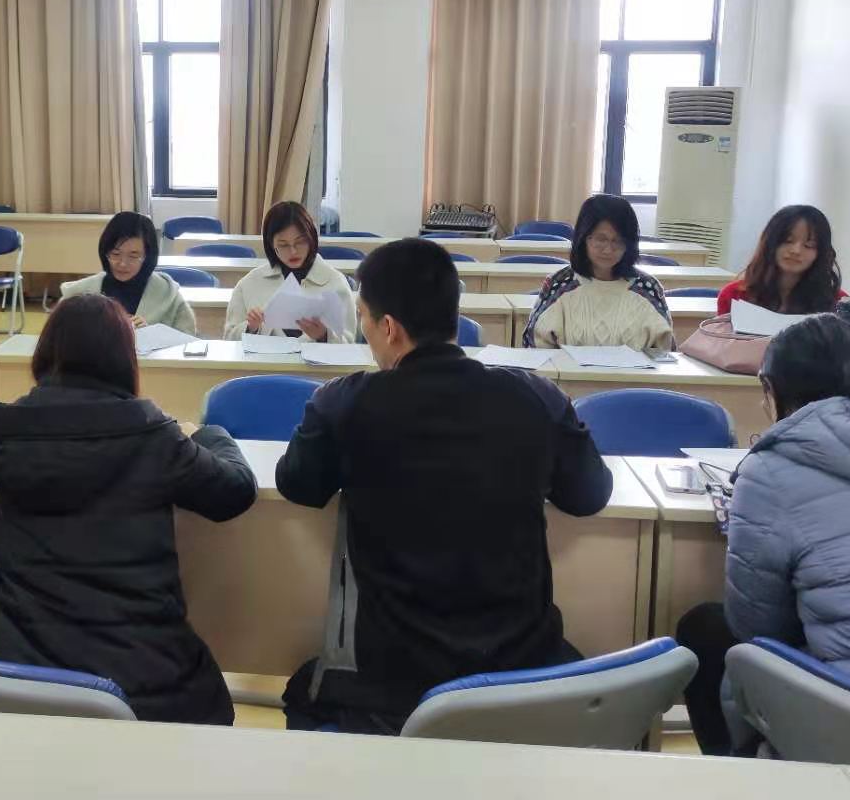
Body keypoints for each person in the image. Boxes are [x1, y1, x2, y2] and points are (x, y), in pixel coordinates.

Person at [276, 237, 614, 734]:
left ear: (389, 328)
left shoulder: (344, 403)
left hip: (392, 684)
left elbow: (298, 484)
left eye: (364, 318)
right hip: (519, 674)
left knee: (301, 694)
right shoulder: (535, 397)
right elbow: (589, 494)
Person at [0, 294, 257, 725]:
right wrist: (207, 433)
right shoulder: (152, 435)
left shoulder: (6, 432)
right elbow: (234, 491)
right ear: (123, 358)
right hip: (140, 677)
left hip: (19, 668)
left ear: (46, 351)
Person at [676, 314, 850, 755]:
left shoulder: (771, 471)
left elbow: (758, 628)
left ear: (771, 389)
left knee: (707, 629)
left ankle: (740, 770)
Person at [522, 194, 673, 351]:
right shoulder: (560, 283)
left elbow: (665, 353)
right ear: (583, 238)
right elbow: (534, 347)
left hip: (635, 369)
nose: (608, 249)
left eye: (618, 241)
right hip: (566, 368)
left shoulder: (647, 288)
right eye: (601, 239)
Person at [222, 201, 356, 342]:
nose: (293, 251)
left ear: (311, 239)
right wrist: (251, 328)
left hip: (316, 358)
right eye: (283, 245)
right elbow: (229, 339)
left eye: (300, 242)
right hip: (265, 357)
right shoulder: (249, 283)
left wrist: (324, 336)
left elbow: (349, 343)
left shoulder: (335, 282)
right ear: (271, 245)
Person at [60, 211, 196, 333]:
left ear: (148, 257)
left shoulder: (168, 294)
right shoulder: (79, 294)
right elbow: (58, 338)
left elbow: (188, 343)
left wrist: (151, 334)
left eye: (133, 256)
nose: (122, 264)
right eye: (115, 254)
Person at [717, 204, 847, 316]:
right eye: (788, 240)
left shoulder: (839, 302)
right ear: (770, 243)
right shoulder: (734, 295)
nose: (796, 250)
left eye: (809, 245)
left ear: (821, 253)